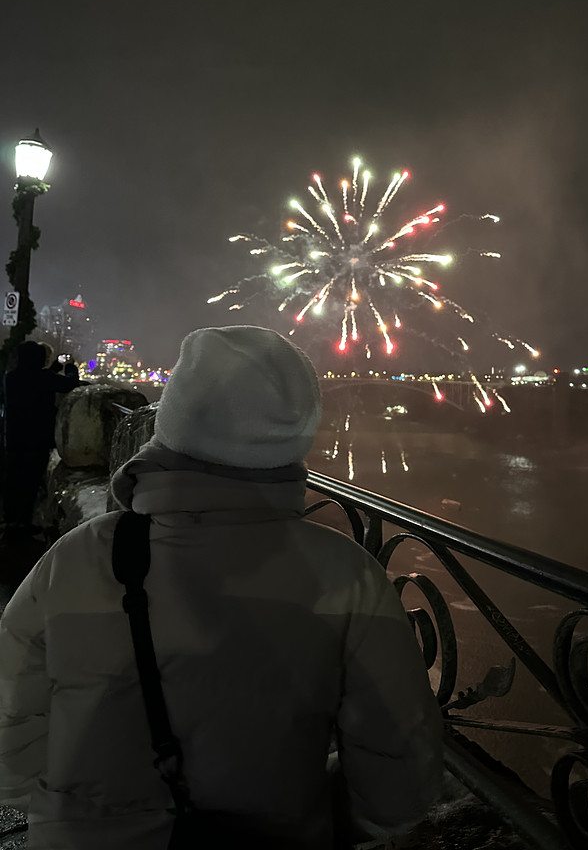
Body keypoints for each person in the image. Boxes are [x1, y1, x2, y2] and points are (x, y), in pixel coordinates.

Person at [0, 326, 443, 849]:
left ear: (173, 422)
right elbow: (401, 774)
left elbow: (10, 727)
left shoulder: (78, 556)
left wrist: (69, 808)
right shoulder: (348, 576)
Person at [2, 340, 79, 539]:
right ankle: (23, 524)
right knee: (30, 481)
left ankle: (10, 521)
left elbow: (39, 377)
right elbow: (69, 383)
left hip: (14, 438)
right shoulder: (42, 378)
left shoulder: (11, 377)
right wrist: (70, 367)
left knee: (13, 480)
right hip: (36, 440)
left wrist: (54, 367)